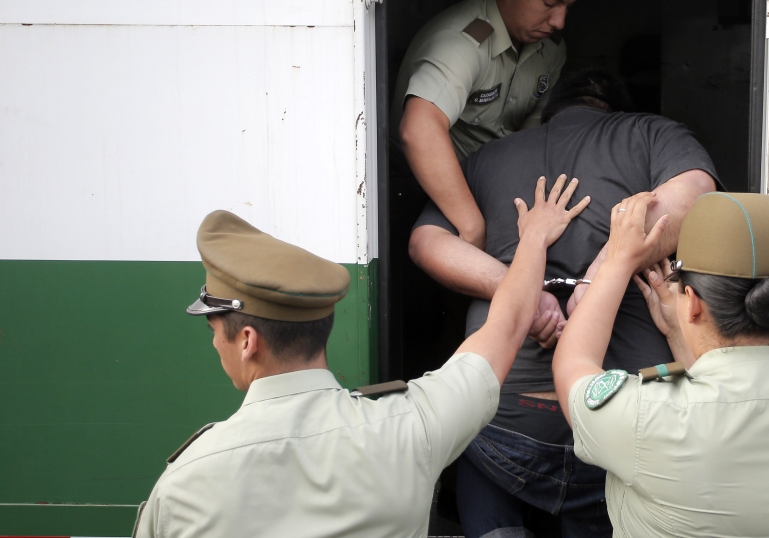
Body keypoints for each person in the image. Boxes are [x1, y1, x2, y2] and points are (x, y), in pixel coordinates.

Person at [132, 175, 589, 538]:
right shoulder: (412, 427)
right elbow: (505, 327)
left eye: (216, 331)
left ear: (248, 339)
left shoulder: (182, 487)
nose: (215, 343)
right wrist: (533, 240)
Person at [409, 69, 717, 537]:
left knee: (474, 438)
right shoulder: (653, 133)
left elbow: (425, 242)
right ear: (618, 111)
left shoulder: (487, 155)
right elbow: (697, 196)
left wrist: (518, 291)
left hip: (503, 427)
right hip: (622, 426)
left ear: (547, 114)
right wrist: (602, 275)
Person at [553, 192, 769, 537]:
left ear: (692, 302)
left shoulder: (648, 414)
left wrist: (618, 261)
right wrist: (681, 337)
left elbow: (572, 366)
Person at [394, 0, 590, 250]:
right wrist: (472, 228)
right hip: (435, 188)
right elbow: (418, 130)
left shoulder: (550, 50)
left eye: (568, 8)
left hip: (498, 183)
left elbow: (531, 138)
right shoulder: (461, 44)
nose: (559, 22)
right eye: (549, 3)